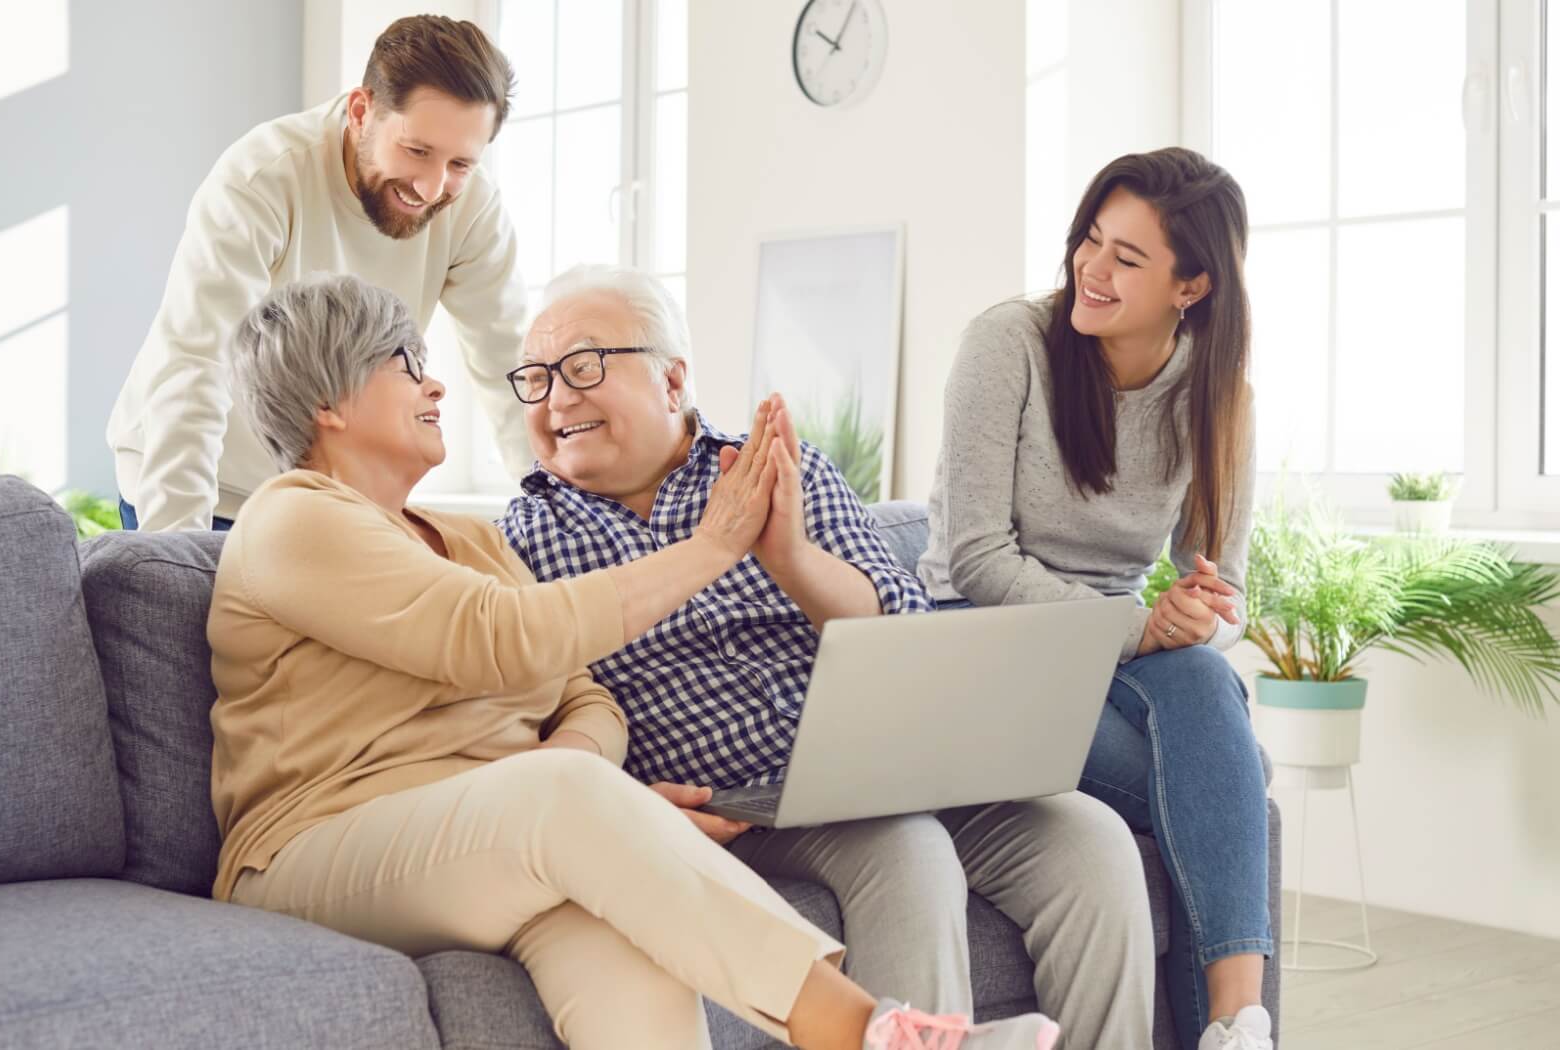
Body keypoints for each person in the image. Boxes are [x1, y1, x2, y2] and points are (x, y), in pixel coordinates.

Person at [208, 273, 1063, 1050]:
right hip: (316, 850)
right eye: (405, 364)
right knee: (557, 801)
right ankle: (877, 1034)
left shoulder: (466, 539)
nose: (435, 384)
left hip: (493, 838)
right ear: (330, 400)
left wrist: (577, 770)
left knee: (633, 952)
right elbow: (495, 635)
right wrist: (716, 544)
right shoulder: (292, 519)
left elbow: (584, 693)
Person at [499, 264, 1157, 1050]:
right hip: (742, 803)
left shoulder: (784, 470)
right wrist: (625, 805)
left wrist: (793, 560)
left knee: (1091, 838)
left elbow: (906, 629)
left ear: (672, 380)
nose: (556, 399)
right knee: (906, 848)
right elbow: (530, 722)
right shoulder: (522, 538)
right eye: (535, 380)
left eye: (582, 367)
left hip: (891, 761)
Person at [918, 147, 1273, 1050]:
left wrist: (1194, 617)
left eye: (1127, 257)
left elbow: (1217, 587)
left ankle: (1240, 1024)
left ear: (1190, 287)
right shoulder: (1008, 345)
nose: (1092, 266)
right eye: (1091, 238)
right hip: (984, 637)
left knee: (1203, 686)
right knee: (1212, 784)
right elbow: (975, 561)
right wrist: (1140, 627)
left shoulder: (1217, 392)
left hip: (1121, 653)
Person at [107, 15, 530, 533]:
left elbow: (509, 368)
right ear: (361, 111)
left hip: (326, 500)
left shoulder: (473, 210)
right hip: (200, 486)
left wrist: (563, 507)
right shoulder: (263, 178)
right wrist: (177, 546)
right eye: (416, 150)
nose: (431, 186)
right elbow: (195, 364)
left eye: (461, 164)